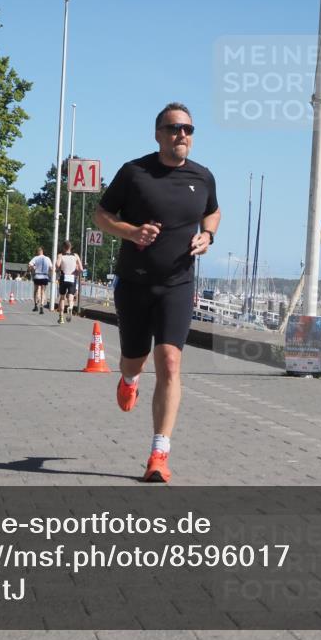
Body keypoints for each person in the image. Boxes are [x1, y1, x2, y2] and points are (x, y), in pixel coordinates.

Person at [93, 102, 220, 483]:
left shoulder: (203, 176)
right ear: (158, 134)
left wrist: (208, 235)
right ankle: (129, 380)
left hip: (178, 284)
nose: (182, 135)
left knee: (170, 362)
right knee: (136, 360)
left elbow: (213, 211)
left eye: (188, 129)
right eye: (174, 128)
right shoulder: (134, 173)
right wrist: (130, 232)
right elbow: (101, 214)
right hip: (134, 283)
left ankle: (159, 454)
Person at [55, 240, 83, 324]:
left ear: (64, 247)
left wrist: (59, 269)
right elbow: (81, 269)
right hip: (72, 277)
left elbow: (57, 265)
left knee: (62, 297)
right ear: (71, 247)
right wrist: (75, 272)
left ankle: (61, 317)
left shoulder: (60, 255)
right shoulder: (76, 256)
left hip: (64, 276)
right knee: (71, 297)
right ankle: (70, 307)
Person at [28, 247, 52, 314]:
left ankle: (36, 305)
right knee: (43, 291)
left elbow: (29, 265)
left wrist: (32, 269)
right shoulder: (47, 258)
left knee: (35, 290)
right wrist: (49, 273)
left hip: (37, 276)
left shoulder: (36, 258)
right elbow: (51, 268)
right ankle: (41, 306)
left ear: (38, 252)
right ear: (42, 251)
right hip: (45, 276)